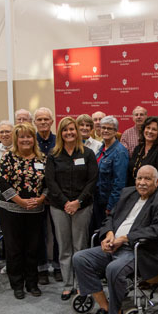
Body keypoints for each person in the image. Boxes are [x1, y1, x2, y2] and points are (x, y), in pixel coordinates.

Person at [73, 165, 158, 314]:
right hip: (114, 246)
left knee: (113, 268)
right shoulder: (128, 193)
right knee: (80, 258)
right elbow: (111, 217)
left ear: (157, 182)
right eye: (139, 178)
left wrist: (124, 238)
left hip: (140, 251)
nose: (142, 183)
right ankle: (106, 308)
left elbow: (156, 230)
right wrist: (109, 235)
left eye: (147, 179)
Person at [45, 117, 99, 300]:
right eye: (65, 130)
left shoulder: (88, 154)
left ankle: (81, 284)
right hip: (59, 207)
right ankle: (68, 284)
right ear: (60, 133)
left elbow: (92, 181)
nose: (69, 132)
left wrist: (78, 202)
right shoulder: (53, 155)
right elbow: (50, 182)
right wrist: (65, 203)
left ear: (77, 131)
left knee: (80, 247)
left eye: (72, 129)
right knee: (64, 247)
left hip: (82, 207)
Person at [0, 123, 47, 299]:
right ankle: (17, 284)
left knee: (32, 248)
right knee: (14, 248)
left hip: (35, 211)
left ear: (34, 139)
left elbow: (49, 183)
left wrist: (41, 199)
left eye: (29, 136)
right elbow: (1, 181)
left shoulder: (43, 159)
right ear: (16, 139)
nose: (26, 140)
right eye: (22, 137)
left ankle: (32, 283)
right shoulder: (8, 157)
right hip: (11, 210)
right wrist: (20, 201)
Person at [33, 107, 60, 283]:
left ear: (52, 122)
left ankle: (58, 265)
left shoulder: (58, 142)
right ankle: (41, 267)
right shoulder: (30, 141)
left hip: (56, 195)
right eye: (39, 119)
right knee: (38, 233)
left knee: (58, 232)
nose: (43, 122)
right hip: (35, 197)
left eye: (46, 119)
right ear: (34, 122)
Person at [94, 116, 129, 225]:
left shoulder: (120, 152)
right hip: (98, 200)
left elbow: (119, 183)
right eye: (103, 127)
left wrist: (111, 206)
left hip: (108, 203)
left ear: (115, 131)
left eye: (109, 128)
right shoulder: (101, 148)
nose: (105, 130)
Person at [127, 116, 158, 187]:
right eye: (148, 128)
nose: (150, 131)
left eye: (154, 129)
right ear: (143, 129)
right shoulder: (138, 148)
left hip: (153, 193)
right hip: (135, 190)